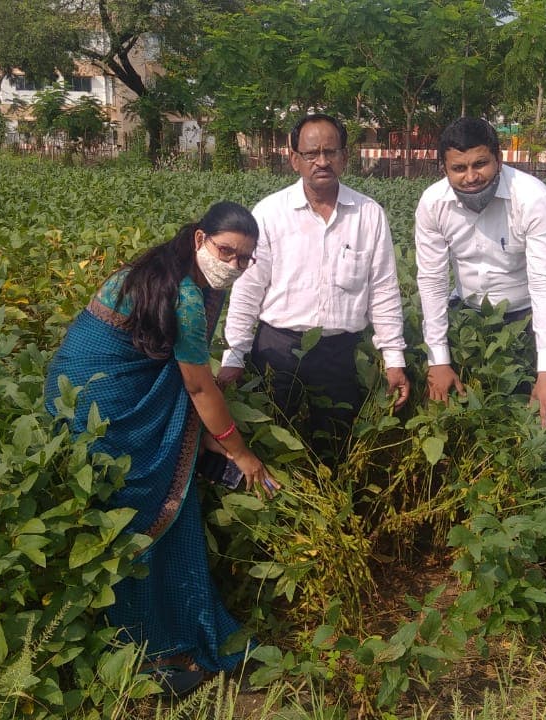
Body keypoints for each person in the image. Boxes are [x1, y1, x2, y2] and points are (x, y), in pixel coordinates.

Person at [44, 201, 280, 697]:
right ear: (199, 240)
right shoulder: (186, 294)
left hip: (95, 388)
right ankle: (143, 651)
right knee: (135, 512)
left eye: (245, 258)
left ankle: (148, 640)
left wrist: (207, 433)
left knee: (142, 510)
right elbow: (197, 385)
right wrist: (239, 452)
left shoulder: (173, 271)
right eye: (226, 251)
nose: (234, 265)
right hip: (105, 399)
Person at [217, 113, 410, 460]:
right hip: (277, 349)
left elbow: (383, 291)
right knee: (272, 443)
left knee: (335, 447)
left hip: (340, 354)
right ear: (294, 159)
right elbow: (248, 290)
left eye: (331, 151)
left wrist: (394, 359)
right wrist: (234, 355)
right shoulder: (270, 213)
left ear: (345, 157)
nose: (322, 161)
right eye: (311, 153)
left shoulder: (369, 215)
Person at [414, 117, 546, 426]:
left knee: (530, 415)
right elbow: (432, 281)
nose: (471, 177)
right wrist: (438, 359)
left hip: (525, 317)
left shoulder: (533, 199)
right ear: (444, 169)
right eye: (459, 168)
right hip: (467, 316)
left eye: (480, 164)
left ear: (499, 158)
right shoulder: (433, 204)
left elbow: (545, 285)